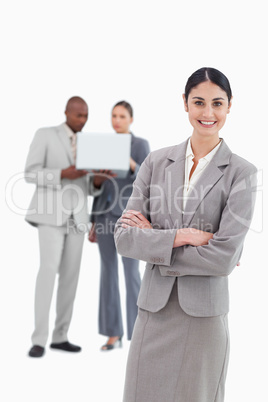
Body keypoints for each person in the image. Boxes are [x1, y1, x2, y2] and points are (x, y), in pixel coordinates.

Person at [114, 68, 257, 401]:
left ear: (229, 106)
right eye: (199, 102)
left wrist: (155, 241)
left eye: (217, 104)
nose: (208, 113)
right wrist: (183, 236)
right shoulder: (155, 162)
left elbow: (223, 258)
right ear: (185, 103)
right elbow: (123, 237)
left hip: (203, 319)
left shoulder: (242, 173)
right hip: (153, 312)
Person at [25, 96, 94, 358]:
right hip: (50, 216)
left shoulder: (90, 144)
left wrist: (97, 180)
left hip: (77, 218)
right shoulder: (45, 135)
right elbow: (30, 172)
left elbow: (87, 186)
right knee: (47, 272)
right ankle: (39, 339)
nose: (83, 120)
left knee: (71, 278)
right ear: (66, 112)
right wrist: (62, 173)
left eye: (86, 116)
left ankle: (60, 336)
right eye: (79, 115)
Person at [88, 101, 150, 351]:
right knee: (108, 272)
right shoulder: (104, 145)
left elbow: (148, 180)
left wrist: (129, 162)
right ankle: (113, 333)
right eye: (114, 116)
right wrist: (93, 221)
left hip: (129, 217)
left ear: (131, 119)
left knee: (131, 273)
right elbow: (99, 188)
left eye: (122, 116)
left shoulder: (140, 145)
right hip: (104, 214)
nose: (117, 120)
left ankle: (138, 334)